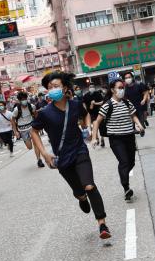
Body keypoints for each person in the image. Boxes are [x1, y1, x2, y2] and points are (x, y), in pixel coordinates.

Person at [30, 71, 111, 240]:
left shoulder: (75, 104)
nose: (53, 89)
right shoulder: (45, 112)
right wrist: (44, 153)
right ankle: (81, 198)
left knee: (89, 186)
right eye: (50, 87)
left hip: (80, 151)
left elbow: (86, 114)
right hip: (63, 159)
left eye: (56, 86)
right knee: (80, 192)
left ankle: (102, 224)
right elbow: (34, 132)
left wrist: (87, 127)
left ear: (65, 87)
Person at [91, 79, 144, 202]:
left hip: (130, 136)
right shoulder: (107, 105)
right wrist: (94, 138)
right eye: (119, 87)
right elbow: (97, 122)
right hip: (116, 139)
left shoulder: (127, 102)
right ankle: (126, 188)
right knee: (124, 162)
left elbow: (133, 115)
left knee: (131, 162)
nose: (122, 90)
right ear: (112, 90)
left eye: (123, 87)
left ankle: (123, 176)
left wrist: (139, 125)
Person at [12, 92, 44, 168]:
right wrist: (15, 131)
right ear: (19, 101)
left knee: (36, 143)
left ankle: (39, 160)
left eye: (25, 99)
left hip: (32, 127)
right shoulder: (16, 110)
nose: (24, 101)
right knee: (29, 147)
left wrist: (38, 124)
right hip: (22, 129)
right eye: (22, 99)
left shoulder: (31, 106)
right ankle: (26, 141)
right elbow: (12, 120)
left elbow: (35, 114)